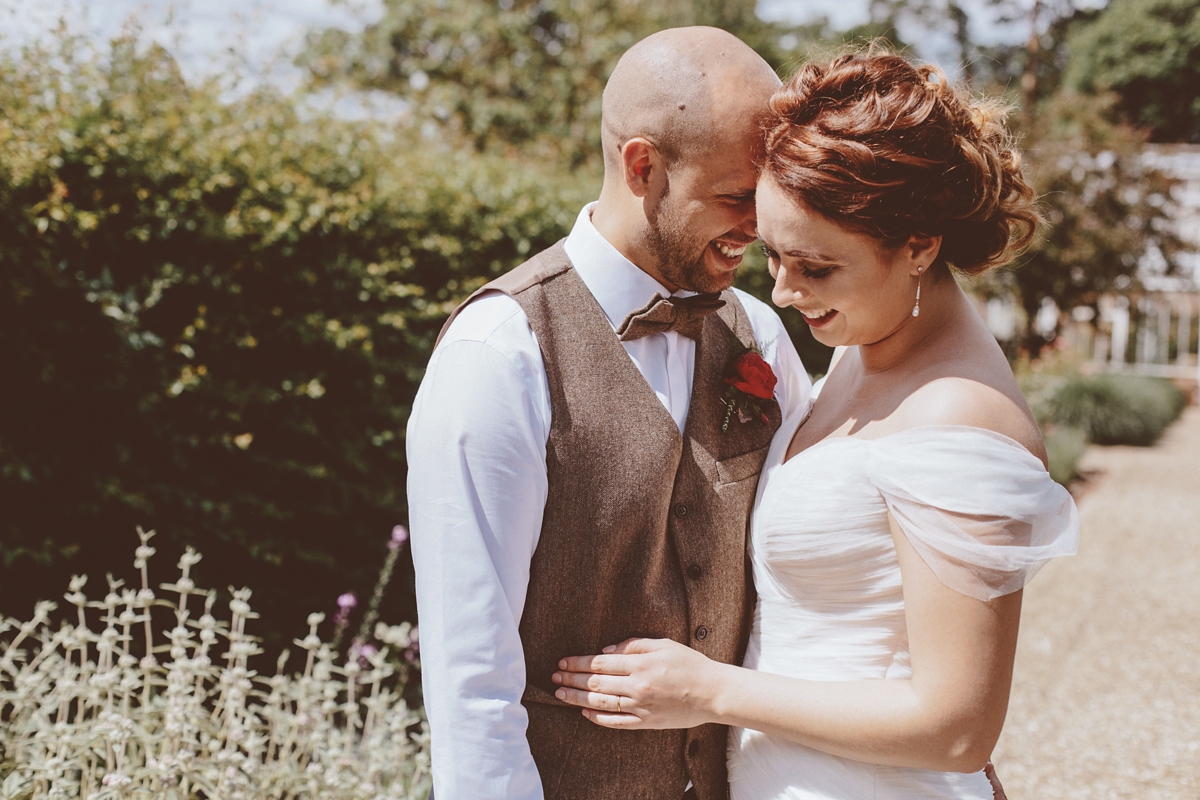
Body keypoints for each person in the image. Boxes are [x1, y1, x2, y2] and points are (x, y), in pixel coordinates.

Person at [551, 48, 1080, 800]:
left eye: (818, 268)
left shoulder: (963, 419)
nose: (786, 293)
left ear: (920, 246)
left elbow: (959, 728)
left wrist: (709, 691)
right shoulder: (866, 351)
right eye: (774, 255)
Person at [406, 27, 811, 800]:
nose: (760, 230)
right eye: (735, 196)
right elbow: (470, 678)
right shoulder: (501, 352)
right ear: (642, 165)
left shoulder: (759, 330)